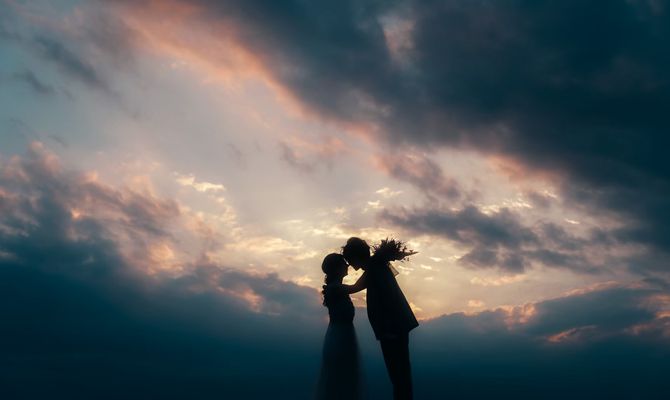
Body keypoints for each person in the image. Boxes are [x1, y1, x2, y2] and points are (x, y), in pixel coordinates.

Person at [329, 238, 418, 400]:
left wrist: (334, 288)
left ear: (356, 256)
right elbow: (356, 287)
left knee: (399, 374)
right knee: (400, 374)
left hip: (392, 329)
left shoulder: (375, 268)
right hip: (393, 327)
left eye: (349, 259)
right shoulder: (374, 267)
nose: (349, 264)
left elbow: (385, 296)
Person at [315, 253, 363, 400]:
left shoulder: (336, 288)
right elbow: (358, 287)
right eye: (343, 263)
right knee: (339, 378)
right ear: (336, 268)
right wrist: (375, 264)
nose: (347, 265)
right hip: (339, 339)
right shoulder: (334, 288)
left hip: (345, 336)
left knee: (346, 378)